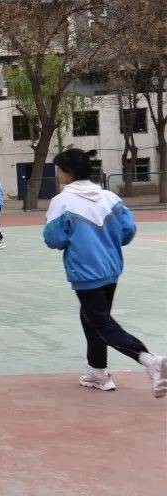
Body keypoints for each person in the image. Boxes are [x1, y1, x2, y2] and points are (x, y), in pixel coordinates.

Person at [44, 148, 165, 397]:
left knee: (100, 323)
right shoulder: (109, 197)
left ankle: (151, 360)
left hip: (86, 273)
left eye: (59, 170)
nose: (57, 175)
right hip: (111, 268)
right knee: (91, 316)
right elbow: (128, 230)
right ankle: (98, 371)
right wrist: (104, 243)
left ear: (68, 173)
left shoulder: (62, 202)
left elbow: (54, 239)